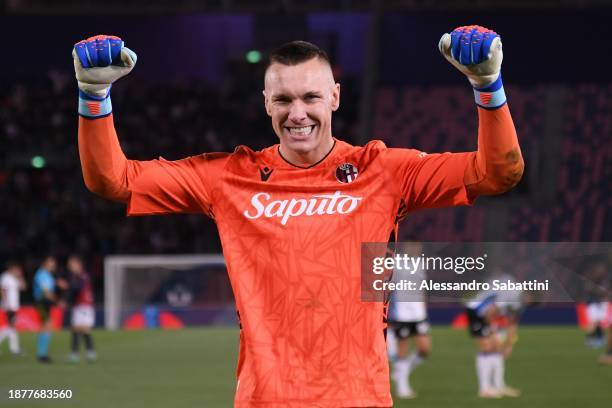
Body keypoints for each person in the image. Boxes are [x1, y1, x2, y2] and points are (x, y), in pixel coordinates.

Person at [73, 25, 523, 406]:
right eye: (284, 99)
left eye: (310, 96)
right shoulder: (228, 178)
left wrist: (488, 87)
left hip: (358, 398)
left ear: (335, 97)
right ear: (267, 102)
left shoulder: (385, 171)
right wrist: (94, 96)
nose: (298, 113)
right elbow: (115, 181)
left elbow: (498, 173)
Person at [464, 274, 528, 398]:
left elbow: (512, 322)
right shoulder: (511, 292)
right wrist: (492, 330)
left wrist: (509, 345)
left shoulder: (519, 301)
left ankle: (499, 386)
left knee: (496, 347)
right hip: (476, 311)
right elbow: (491, 312)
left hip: (486, 315)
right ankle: (484, 389)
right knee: (487, 347)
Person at [388, 242, 431, 399]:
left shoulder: (420, 264)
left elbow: (422, 288)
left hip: (418, 315)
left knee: (425, 349)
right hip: (402, 314)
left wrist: (424, 310)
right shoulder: (396, 263)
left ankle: (401, 371)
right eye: (412, 246)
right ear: (406, 247)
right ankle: (402, 387)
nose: (415, 249)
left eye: (417, 247)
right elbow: (387, 287)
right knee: (402, 350)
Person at [66, 254, 97, 363]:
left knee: (82, 328)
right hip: (81, 305)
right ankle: (84, 352)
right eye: (69, 265)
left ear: (79, 264)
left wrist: (67, 287)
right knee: (77, 328)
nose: (70, 267)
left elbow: (77, 288)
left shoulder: (81, 276)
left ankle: (84, 353)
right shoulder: (80, 276)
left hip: (84, 305)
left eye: (72, 265)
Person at [33, 256, 61, 363]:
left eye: (53, 265)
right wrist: (57, 301)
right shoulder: (40, 275)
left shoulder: (48, 275)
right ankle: (42, 354)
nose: (53, 266)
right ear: (45, 264)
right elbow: (46, 292)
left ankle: (42, 354)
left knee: (46, 326)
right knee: (47, 325)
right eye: (51, 264)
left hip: (46, 303)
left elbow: (50, 288)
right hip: (41, 303)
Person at [0, 261, 26, 355]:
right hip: (8, 305)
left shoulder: (15, 278)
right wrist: (6, 304)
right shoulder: (5, 277)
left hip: (15, 305)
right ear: (11, 268)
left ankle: (14, 349)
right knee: (10, 326)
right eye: (17, 269)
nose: (18, 271)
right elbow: (2, 290)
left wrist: (20, 277)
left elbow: (23, 287)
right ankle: (14, 349)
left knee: (11, 327)